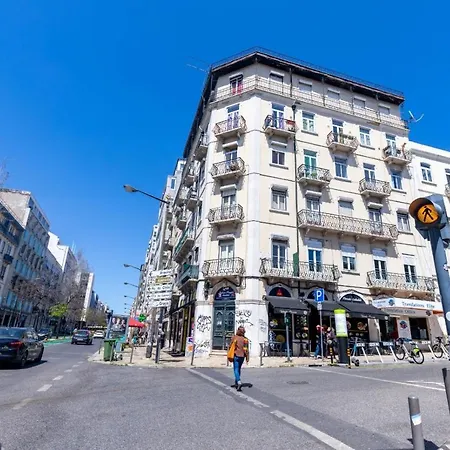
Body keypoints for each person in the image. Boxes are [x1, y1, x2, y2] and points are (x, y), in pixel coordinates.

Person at [230, 326, 249, 391]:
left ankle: (238, 382)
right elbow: (246, 349)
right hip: (242, 356)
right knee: (239, 369)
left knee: (235, 369)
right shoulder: (245, 339)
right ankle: (236, 383)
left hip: (236, 355)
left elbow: (230, 345)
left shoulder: (235, 337)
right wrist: (247, 358)